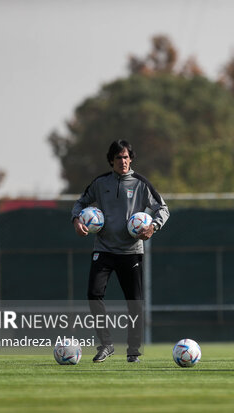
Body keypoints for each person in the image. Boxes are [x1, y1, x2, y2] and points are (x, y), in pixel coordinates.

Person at [71, 140, 170, 363]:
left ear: (131, 159)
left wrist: (153, 226)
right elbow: (79, 203)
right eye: (119, 158)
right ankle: (106, 345)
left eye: (126, 157)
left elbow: (162, 208)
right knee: (93, 294)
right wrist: (77, 221)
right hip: (104, 249)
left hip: (131, 251)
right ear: (111, 161)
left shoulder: (141, 184)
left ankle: (133, 350)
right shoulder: (100, 183)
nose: (123, 161)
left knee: (134, 301)